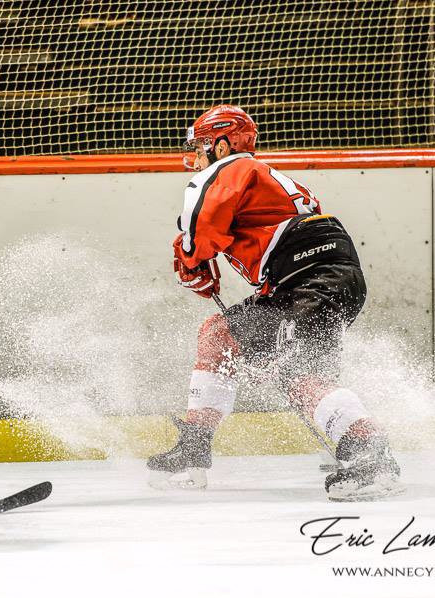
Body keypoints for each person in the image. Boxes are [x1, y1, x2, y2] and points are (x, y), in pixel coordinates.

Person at [147, 105, 402, 501]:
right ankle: (194, 448)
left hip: (313, 279)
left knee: (298, 373)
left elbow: (202, 232)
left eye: (201, 145)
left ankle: (370, 453)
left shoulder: (228, 169)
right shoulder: (259, 176)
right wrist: (202, 259)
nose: (195, 156)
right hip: (302, 282)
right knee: (220, 334)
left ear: (224, 142)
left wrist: (190, 257)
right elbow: (243, 233)